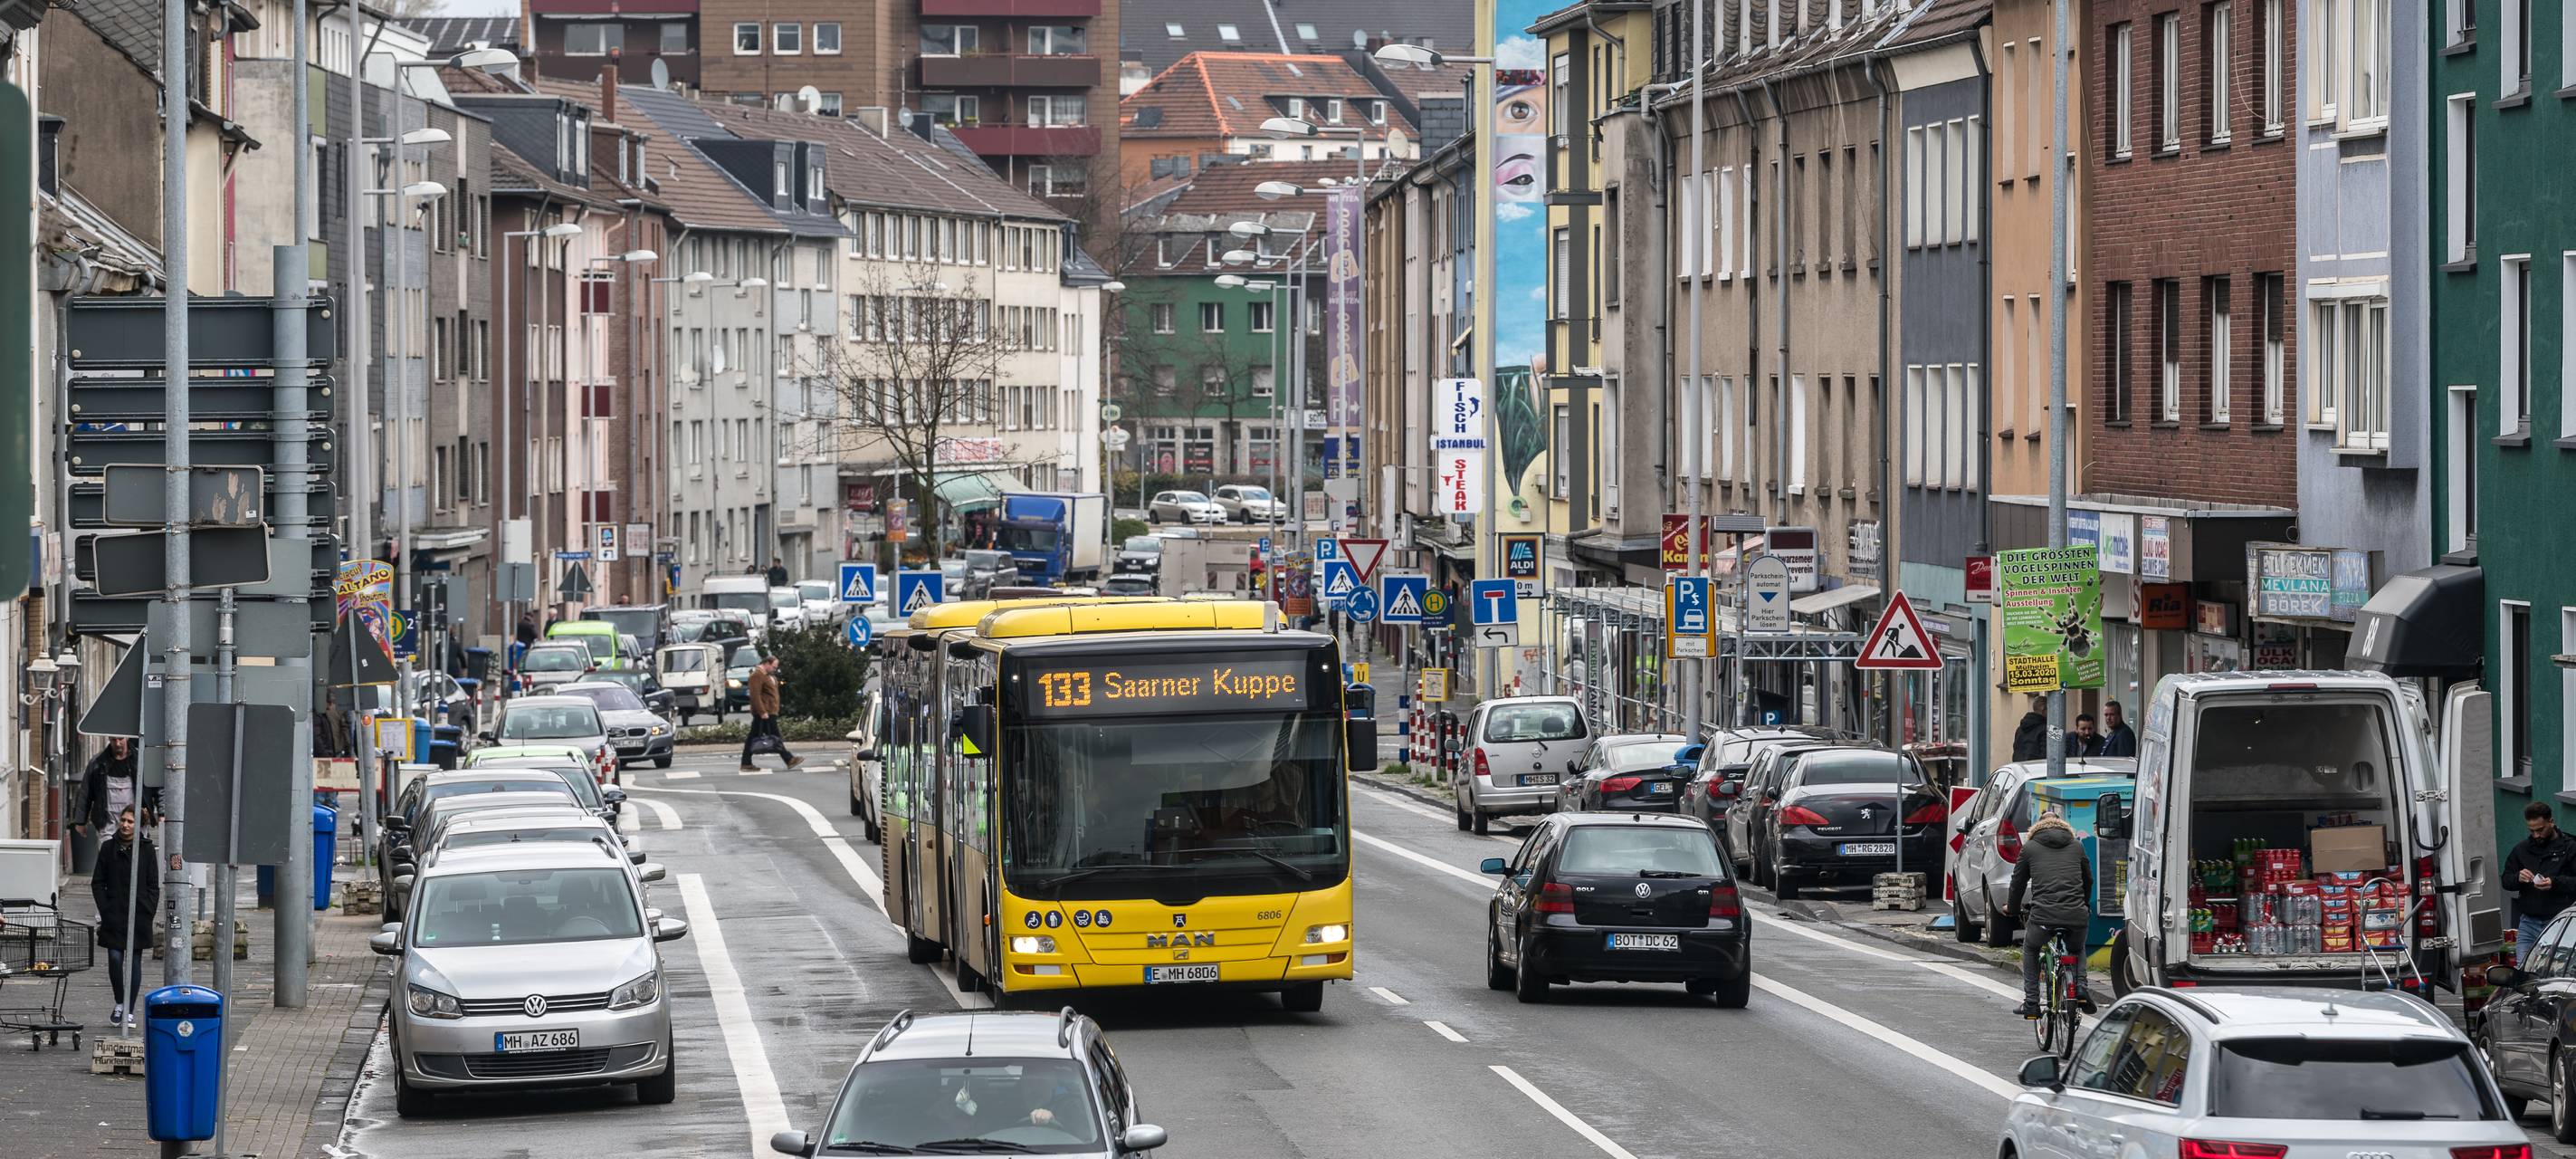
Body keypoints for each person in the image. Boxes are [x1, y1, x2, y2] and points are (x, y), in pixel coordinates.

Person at [2008, 809, 2096, 1018]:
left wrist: (2012, 909)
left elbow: (2017, 883)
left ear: (2036, 828)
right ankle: (2081, 986)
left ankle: (2031, 1003)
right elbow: (2088, 880)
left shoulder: (2029, 847)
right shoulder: (2077, 845)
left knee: (2031, 948)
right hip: (2076, 915)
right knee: (2077, 948)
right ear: (2063, 825)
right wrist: (2083, 905)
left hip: (2043, 917)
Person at [90, 806, 160, 1027]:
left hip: (139, 914)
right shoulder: (109, 848)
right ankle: (119, 1002)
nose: (126, 825)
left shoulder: (147, 850)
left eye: (131, 821)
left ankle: (128, 1010)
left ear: (139, 825)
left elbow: (153, 885)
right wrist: (105, 908)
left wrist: (148, 909)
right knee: (114, 958)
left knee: (135, 962)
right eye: (124, 820)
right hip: (114, 914)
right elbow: (98, 882)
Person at [2506, 800, 2576, 963]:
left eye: (2540, 830)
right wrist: (2518, 877)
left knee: (2554, 972)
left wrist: (2555, 883)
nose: (2536, 835)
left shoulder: (2571, 847)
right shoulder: (2521, 849)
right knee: (2523, 972)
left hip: (2560, 923)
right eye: (2532, 831)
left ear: (2551, 822)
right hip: (2528, 923)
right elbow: (2506, 880)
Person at [75, 737, 158, 835]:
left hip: (136, 823)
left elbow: (157, 787)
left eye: (120, 739)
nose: (117, 743)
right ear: (109, 739)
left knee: (136, 849)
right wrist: (80, 822)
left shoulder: (141, 760)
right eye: (114, 740)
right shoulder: (97, 763)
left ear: (127, 738)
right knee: (108, 849)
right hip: (107, 822)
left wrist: (162, 813)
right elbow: (85, 793)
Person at [741, 655, 804, 771]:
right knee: (775, 736)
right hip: (765, 712)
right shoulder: (757, 675)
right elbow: (755, 696)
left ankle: (746, 762)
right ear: (767, 664)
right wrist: (762, 712)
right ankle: (788, 759)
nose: (775, 670)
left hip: (770, 711)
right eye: (774, 667)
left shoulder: (769, 676)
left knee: (754, 737)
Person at [2009, 695, 2049, 762]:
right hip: (2037, 770)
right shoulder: (2045, 729)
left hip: (2020, 769)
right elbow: (2047, 755)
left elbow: (2016, 751)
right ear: (2043, 709)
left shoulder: (2020, 729)